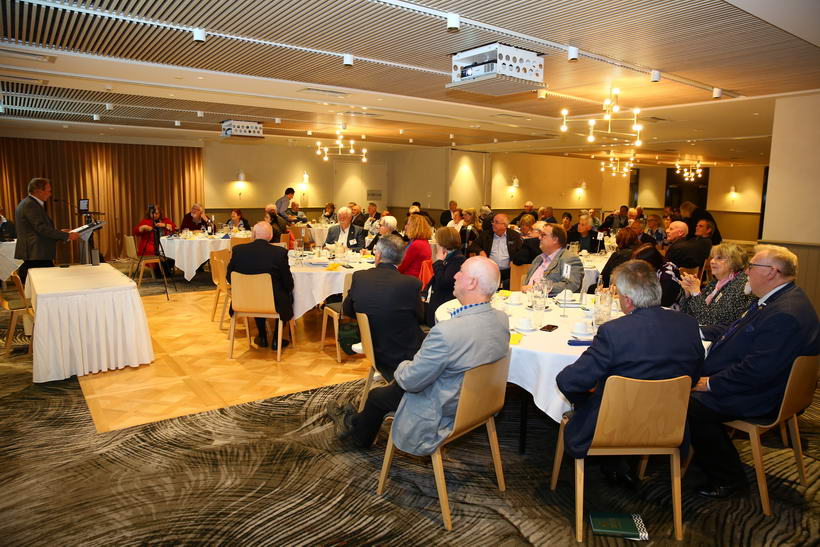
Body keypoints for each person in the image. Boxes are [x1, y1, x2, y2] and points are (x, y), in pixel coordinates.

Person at [329, 256, 509, 451]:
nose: (455, 275)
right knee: (392, 388)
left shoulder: (447, 332)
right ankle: (354, 421)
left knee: (377, 396)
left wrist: (403, 365)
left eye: (461, 271)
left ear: (472, 283)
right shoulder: (502, 319)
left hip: (441, 409)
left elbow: (410, 381)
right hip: (477, 404)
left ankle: (358, 439)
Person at [689, 245, 819, 499]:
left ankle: (728, 479)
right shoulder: (780, 298)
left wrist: (711, 383)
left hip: (762, 394)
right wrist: (695, 330)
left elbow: (757, 371)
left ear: (771, 272)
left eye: (752, 267)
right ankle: (701, 453)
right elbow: (735, 330)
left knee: (691, 404)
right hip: (766, 383)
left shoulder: (784, 313)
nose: (747, 272)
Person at [556, 260, 703, 467]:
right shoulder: (688, 324)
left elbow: (568, 381)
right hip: (667, 427)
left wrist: (588, 401)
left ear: (627, 300)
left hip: (611, 428)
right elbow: (693, 378)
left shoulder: (614, 331)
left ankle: (613, 464)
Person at [343, 235, 425, 382]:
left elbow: (347, 310)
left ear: (378, 255)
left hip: (371, 347)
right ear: (401, 259)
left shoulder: (360, 277)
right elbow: (420, 317)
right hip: (404, 353)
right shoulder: (411, 283)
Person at [226, 222, 294, 350]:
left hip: (244, 300)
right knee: (285, 294)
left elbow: (229, 277)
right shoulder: (279, 253)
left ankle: (262, 336)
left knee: (257, 294)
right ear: (271, 236)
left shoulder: (238, 250)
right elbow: (288, 283)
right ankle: (276, 339)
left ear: (253, 234)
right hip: (273, 303)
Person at [13, 177, 80, 283]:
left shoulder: (29, 203)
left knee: (44, 284)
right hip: (37, 253)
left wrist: (60, 233)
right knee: (47, 284)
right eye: (48, 191)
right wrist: (66, 236)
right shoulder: (31, 205)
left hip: (36, 253)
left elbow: (38, 228)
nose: (50, 194)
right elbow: (41, 228)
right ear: (38, 191)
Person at [680, 243, 756, 326]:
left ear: (734, 262)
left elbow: (709, 321)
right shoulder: (715, 282)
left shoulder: (740, 285)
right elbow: (687, 314)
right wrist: (688, 294)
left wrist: (696, 292)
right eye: (712, 257)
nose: (712, 261)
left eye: (719, 258)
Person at [522, 224, 583, 295]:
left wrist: (540, 288)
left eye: (543, 235)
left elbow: (570, 285)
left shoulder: (568, 259)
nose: (539, 237)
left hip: (549, 300)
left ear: (555, 239)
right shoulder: (538, 259)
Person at [423, 227, 466, 326]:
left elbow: (443, 282)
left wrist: (438, 262)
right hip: (438, 300)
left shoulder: (458, 259)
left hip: (444, 303)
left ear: (443, 242)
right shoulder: (448, 256)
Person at [475, 213, 523, 290]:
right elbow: (474, 245)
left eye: (496, 222)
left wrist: (513, 259)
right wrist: (480, 251)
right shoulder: (486, 234)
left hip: (508, 272)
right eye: (493, 222)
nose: (493, 224)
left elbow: (521, 251)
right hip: (490, 272)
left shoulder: (514, 235)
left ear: (504, 225)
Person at [631, 243, 682, 308]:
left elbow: (663, 303)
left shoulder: (667, 278)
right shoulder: (657, 268)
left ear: (649, 263)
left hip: (669, 310)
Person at [397, 213, 433, 279]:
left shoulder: (417, 244)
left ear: (414, 227)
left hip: (411, 278)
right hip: (416, 277)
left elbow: (402, 267)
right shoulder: (423, 241)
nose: (405, 227)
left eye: (408, 224)